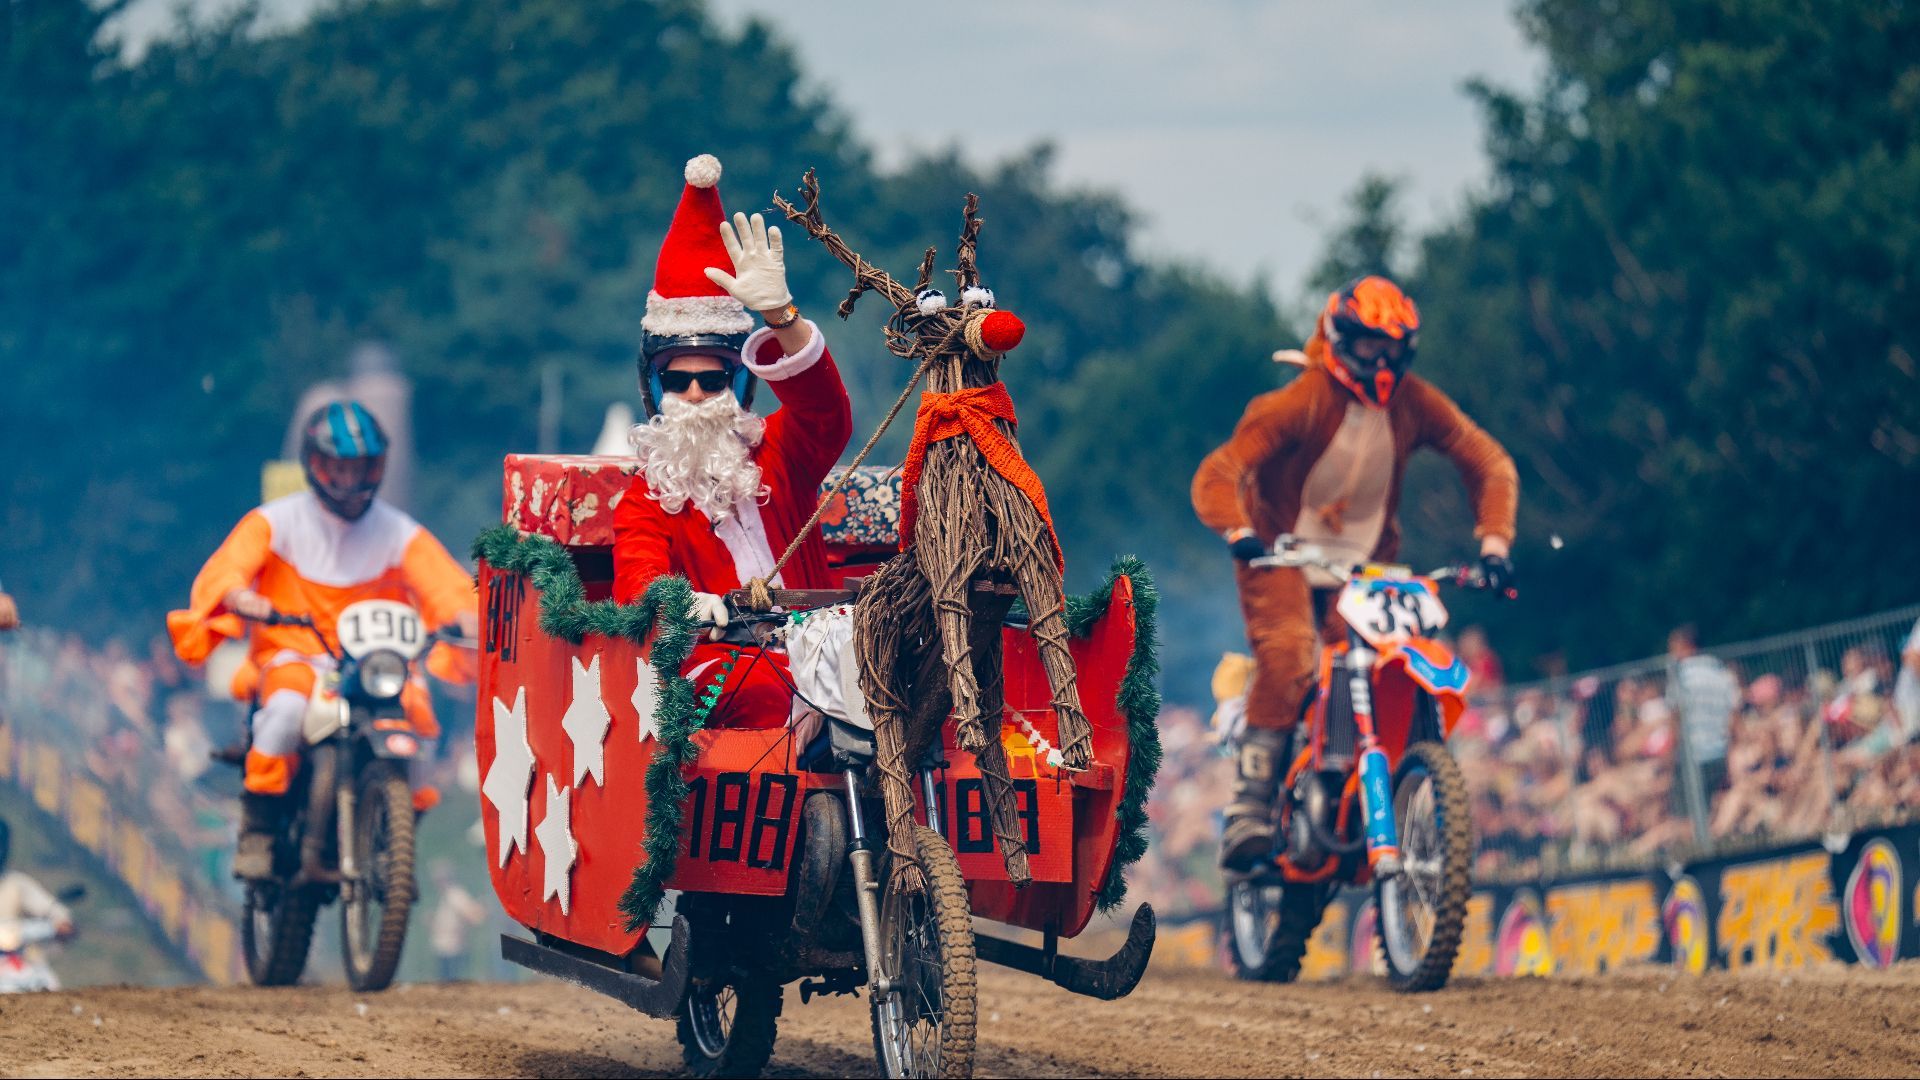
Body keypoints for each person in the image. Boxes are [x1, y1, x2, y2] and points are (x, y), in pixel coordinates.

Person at [1191, 275, 1519, 870]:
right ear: (1340, 340)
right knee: (1290, 652)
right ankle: (1250, 807)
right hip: (1279, 555)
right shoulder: (1301, 401)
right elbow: (1220, 471)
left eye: (1393, 348)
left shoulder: (1414, 402)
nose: (1382, 359)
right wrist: (1239, 532)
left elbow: (1488, 461)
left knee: (1391, 660)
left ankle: (1381, 780)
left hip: (1363, 569)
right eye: (1370, 345)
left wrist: (1494, 545)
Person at [167, 401, 479, 879]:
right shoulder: (276, 521)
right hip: (295, 654)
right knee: (286, 714)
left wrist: (466, 619)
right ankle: (260, 827)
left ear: (378, 466)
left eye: (361, 467)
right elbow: (229, 567)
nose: (352, 480)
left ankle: (397, 829)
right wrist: (236, 595)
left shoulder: (399, 532)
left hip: (376, 663)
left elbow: (446, 585)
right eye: (340, 466)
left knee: (418, 717)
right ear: (316, 465)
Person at [611, 154, 852, 729]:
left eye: (713, 379)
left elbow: (828, 414)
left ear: (739, 383)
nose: (695, 394)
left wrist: (780, 315)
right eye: (678, 379)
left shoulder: (780, 452)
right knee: (765, 690)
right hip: (725, 670)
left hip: (830, 663)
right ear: (655, 388)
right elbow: (637, 584)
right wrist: (686, 604)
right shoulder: (646, 500)